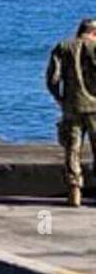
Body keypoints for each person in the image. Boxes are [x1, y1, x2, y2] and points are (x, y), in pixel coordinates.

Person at [46, 19, 96, 206]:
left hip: (71, 106)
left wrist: (59, 98)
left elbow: (52, 79)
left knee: (72, 149)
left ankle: (74, 189)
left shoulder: (63, 47)